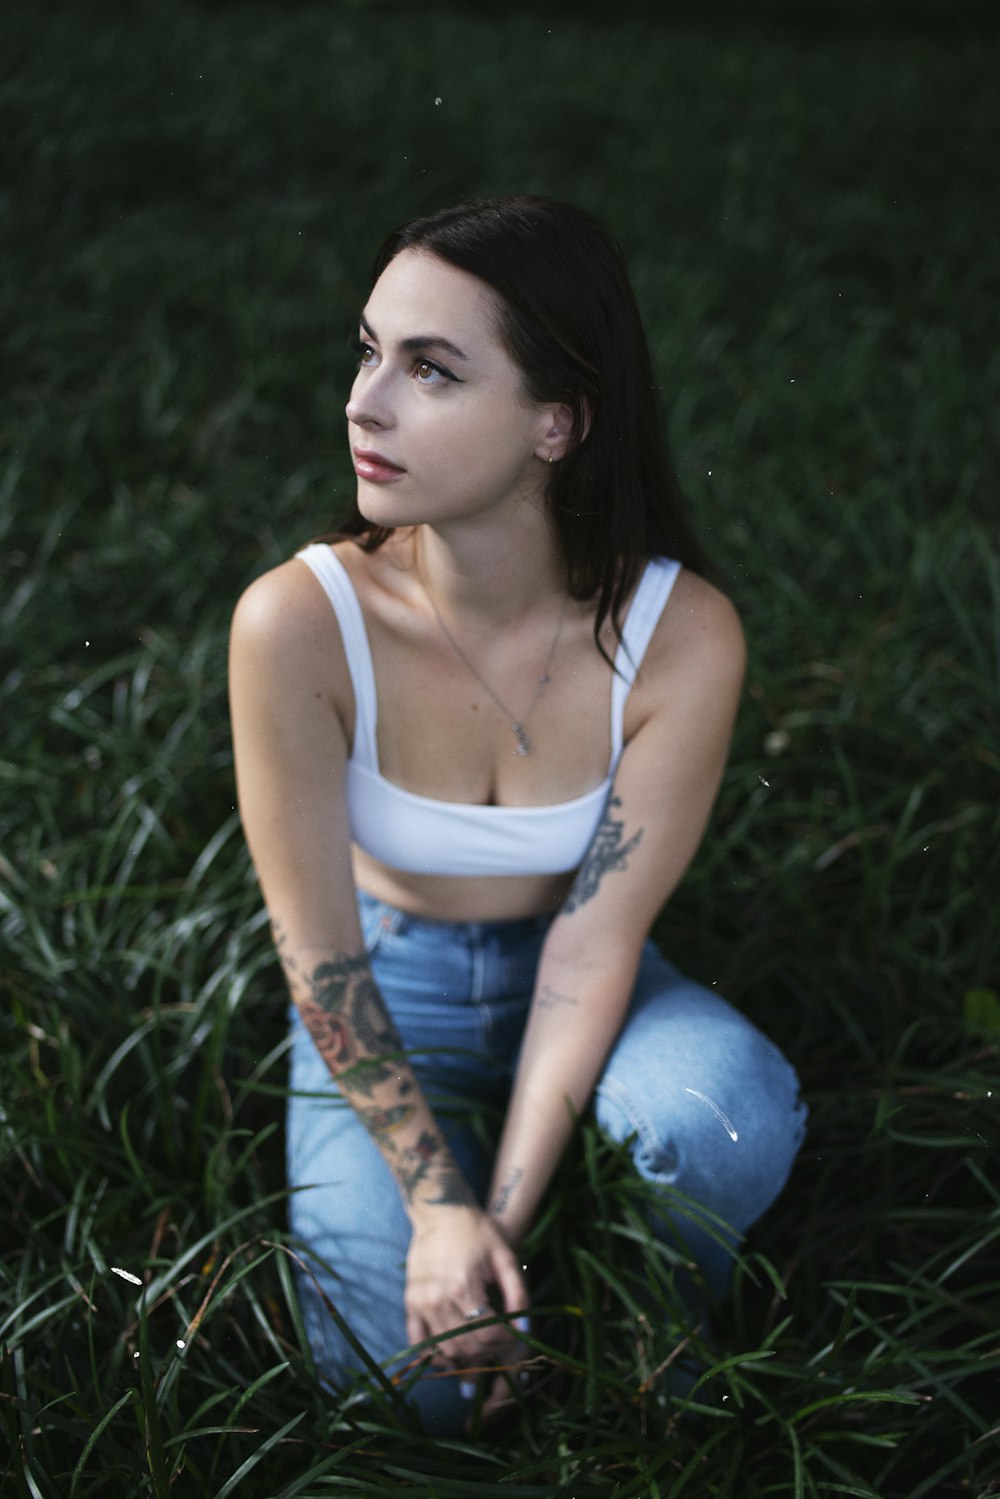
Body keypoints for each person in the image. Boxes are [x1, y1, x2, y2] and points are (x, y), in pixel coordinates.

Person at [228, 195, 806, 1436]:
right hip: (389, 984)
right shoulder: (299, 621)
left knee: (720, 1115)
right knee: (403, 1389)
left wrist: (499, 1212)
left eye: (430, 369)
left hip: (588, 971)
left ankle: (655, 1310)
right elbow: (318, 957)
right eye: (367, 350)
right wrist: (440, 1210)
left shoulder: (679, 635)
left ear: (559, 422)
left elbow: (594, 945)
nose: (364, 402)